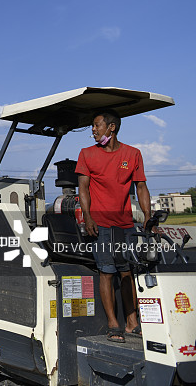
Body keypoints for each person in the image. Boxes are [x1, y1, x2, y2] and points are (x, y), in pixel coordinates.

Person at [76, 109, 153, 344]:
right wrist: (88, 217)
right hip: (101, 224)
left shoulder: (133, 153)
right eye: (92, 126)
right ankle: (113, 324)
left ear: (111, 127)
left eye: (96, 125)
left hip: (125, 224)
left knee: (127, 272)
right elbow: (83, 189)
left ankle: (132, 322)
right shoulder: (87, 154)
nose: (93, 130)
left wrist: (148, 217)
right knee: (107, 273)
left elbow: (141, 187)